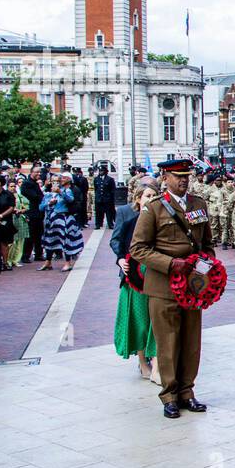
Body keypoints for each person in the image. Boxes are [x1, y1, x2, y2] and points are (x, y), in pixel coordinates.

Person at [128, 159, 215, 419]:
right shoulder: (153, 208)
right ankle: (170, 395)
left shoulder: (199, 204)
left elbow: (206, 243)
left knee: (191, 341)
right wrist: (170, 264)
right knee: (168, 341)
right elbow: (138, 248)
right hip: (164, 285)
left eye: (186, 175)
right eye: (177, 176)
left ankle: (187, 391)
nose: (183, 180)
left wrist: (206, 264)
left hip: (192, 285)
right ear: (165, 177)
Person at [112, 177, 161, 383]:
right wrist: (121, 259)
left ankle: (158, 366)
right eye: (147, 196)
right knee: (140, 322)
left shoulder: (163, 218)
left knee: (157, 322)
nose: (151, 199)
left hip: (157, 276)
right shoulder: (127, 217)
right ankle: (143, 362)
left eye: (154, 195)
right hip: (134, 278)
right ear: (138, 199)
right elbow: (117, 241)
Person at [40, 175, 84, 271]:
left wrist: (60, 192)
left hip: (64, 218)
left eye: (58, 181)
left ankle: (68, 263)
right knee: (50, 241)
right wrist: (49, 203)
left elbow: (70, 199)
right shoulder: (48, 194)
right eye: (53, 181)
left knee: (66, 241)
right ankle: (48, 262)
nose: (56, 183)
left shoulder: (66, 191)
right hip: (51, 220)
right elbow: (41, 207)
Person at [19, 172, 44, 263]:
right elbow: (35, 196)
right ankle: (26, 256)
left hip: (37, 212)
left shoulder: (35, 183)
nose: (39, 173)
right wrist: (40, 197)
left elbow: (40, 196)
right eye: (37, 172)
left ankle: (38, 254)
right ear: (32, 173)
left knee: (38, 234)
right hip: (31, 212)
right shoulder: (27, 183)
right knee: (30, 235)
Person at [93, 165, 117, 230]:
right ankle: (98, 224)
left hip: (107, 199)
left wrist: (111, 198)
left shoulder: (110, 179)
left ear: (105, 172)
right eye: (100, 171)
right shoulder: (96, 179)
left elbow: (113, 190)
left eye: (102, 171)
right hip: (99, 199)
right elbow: (96, 189)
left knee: (109, 213)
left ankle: (110, 224)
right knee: (98, 213)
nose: (100, 172)